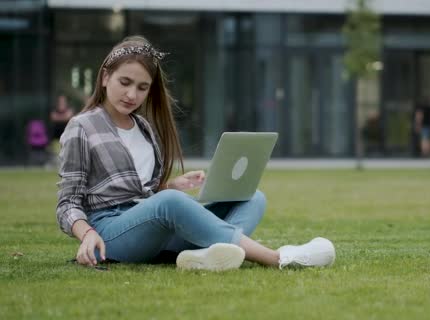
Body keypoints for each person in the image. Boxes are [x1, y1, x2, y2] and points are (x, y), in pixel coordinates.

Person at [56, 35, 335, 271]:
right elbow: (68, 204)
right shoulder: (82, 127)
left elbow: (143, 192)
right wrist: (88, 233)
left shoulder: (143, 128)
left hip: (151, 229)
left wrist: (169, 185)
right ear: (105, 77)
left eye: (142, 88)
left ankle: (205, 257)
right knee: (171, 202)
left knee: (252, 198)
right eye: (125, 82)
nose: (132, 95)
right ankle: (279, 258)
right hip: (110, 232)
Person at [49, 95, 75, 164]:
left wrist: (59, 117)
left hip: (67, 133)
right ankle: (56, 163)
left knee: (66, 150)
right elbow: (53, 117)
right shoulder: (54, 109)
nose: (62, 101)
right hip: (56, 134)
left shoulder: (69, 108)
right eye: (60, 100)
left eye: (63, 100)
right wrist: (64, 117)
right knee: (56, 151)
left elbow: (69, 116)